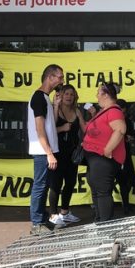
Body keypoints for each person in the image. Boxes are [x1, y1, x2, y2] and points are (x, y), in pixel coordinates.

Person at [26, 64, 64, 235]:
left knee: (44, 185)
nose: (61, 80)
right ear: (50, 77)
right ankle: (36, 223)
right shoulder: (38, 97)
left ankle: (41, 220)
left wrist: (55, 105)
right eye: (60, 77)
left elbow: (49, 125)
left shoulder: (45, 98)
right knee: (40, 186)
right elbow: (39, 128)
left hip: (46, 151)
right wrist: (49, 153)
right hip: (42, 152)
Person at [82, 83, 126, 222]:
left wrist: (108, 149)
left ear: (106, 95)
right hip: (95, 158)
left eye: (98, 93)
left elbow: (120, 129)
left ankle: (104, 223)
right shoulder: (104, 111)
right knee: (97, 189)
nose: (96, 96)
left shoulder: (114, 111)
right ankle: (99, 219)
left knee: (102, 191)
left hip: (103, 157)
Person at [47, 84, 86, 228]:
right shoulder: (54, 109)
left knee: (70, 183)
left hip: (72, 153)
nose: (69, 96)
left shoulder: (77, 111)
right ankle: (53, 214)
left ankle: (65, 212)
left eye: (72, 94)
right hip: (57, 152)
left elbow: (85, 129)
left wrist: (94, 114)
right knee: (56, 184)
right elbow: (50, 128)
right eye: (66, 94)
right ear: (61, 96)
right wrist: (62, 127)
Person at [115, 99, 135, 215]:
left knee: (129, 180)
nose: (122, 115)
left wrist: (128, 138)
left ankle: (126, 204)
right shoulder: (110, 120)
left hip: (125, 154)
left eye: (123, 112)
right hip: (113, 155)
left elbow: (133, 136)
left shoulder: (127, 120)